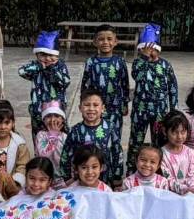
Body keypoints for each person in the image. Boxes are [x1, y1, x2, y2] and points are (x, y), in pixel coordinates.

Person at [127, 24, 179, 172]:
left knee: (159, 141)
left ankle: (158, 170)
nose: (151, 52)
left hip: (160, 113)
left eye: (154, 49)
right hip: (140, 112)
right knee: (136, 141)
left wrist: (173, 108)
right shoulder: (138, 63)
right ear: (140, 50)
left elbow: (173, 87)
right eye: (146, 49)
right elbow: (136, 75)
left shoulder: (165, 65)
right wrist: (143, 57)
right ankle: (131, 168)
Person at [61, 89, 124, 188]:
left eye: (95, 105)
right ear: (80, 108)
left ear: (103, 108)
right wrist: (67, 177)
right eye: (86, 105)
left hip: (106, 177)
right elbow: (65, 154)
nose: (91, 108)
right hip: (83, 178)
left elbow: (117, 151)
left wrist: (117, 176)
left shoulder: (110, 127)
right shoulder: (75, 131)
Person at [81, 24, 129, 153]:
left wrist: (125, 103)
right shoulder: (91, 62)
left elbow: (125, 84)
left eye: (109, 39)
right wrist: (83, 104)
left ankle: (115, 169)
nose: (105, 42)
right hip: (95, 108)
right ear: (95, 42)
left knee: (114, 137)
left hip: (115, 108)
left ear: (115, 41)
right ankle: (95, 166)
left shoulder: (120, 61)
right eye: (101, 39)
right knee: (95, 136)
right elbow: (85, 84)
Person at [19, 30, 71, 137]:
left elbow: (65, 82)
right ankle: (39, 153)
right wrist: (38, 67)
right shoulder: (36, 66)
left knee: (60, 134)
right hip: (38, 109)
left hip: (56, 110)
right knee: (38, 134)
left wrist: (52, 70)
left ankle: (60, 152)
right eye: (43, 55)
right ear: (37, 55)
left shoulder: (60, 66)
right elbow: (21, 71)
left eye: (51, 55)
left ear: (57, 54)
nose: (47, 58)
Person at [159, 110, 194, 195]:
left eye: (183, 132)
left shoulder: (190, 152)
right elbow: (168, 179)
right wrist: (184, 189)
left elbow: (191, 176)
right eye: (174, 132)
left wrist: (193, 188)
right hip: (170, 195)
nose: (179, 136)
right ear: (165, 131)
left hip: (189, 194)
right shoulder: (161, 154)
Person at [33, 101, 67, 188]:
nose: (52, 120)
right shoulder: (40, 135)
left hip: (61, 180)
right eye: (48, 116)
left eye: (56, 116)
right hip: (43, 178)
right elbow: (43, 156)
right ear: (43, 119)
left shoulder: (65, 137)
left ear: (62, 119)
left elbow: (59, 159)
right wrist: (53, 136)